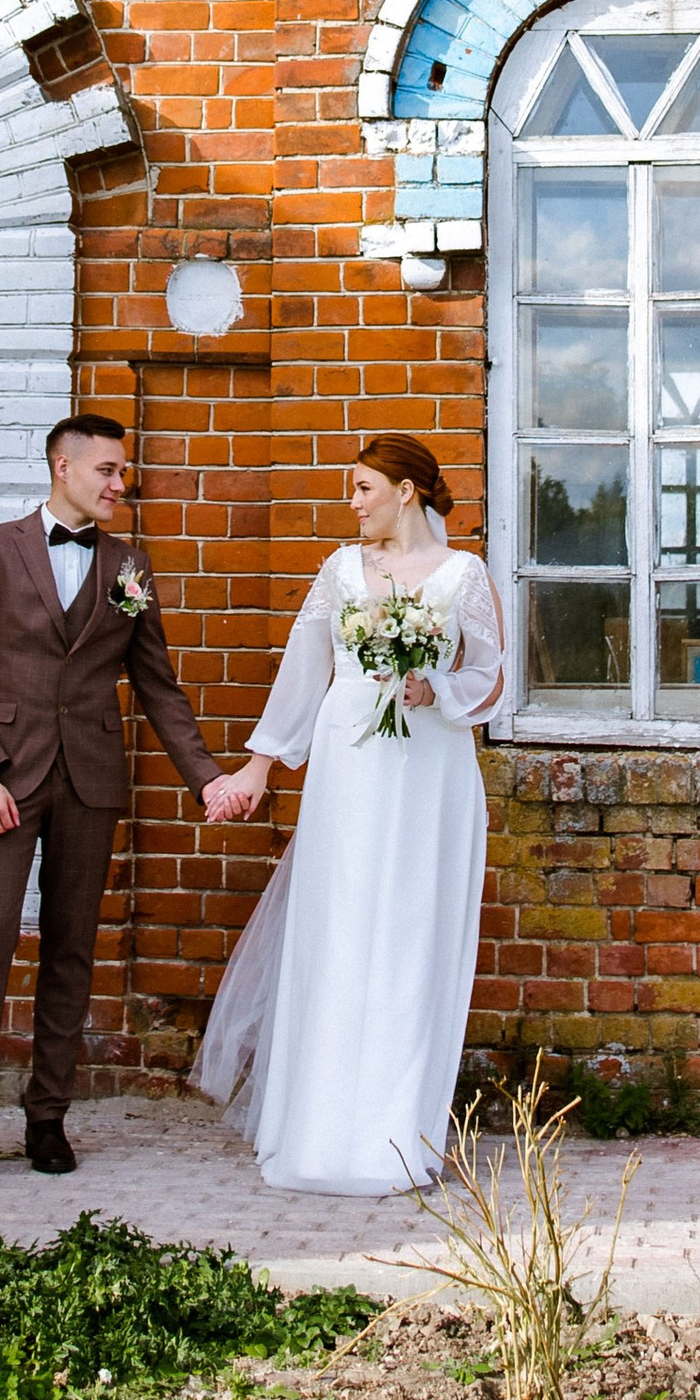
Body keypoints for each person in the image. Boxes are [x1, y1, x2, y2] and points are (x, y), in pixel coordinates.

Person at [0, 410, 258, 1194]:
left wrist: (208, 776)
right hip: (6, 780)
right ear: (63, 468)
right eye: (109, 470)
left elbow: (158, 685)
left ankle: (48, 1115)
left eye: (123, 472)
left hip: (90, 780)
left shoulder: (129, 565)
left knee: (73, 950)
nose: (121, 483)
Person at [197, 432, 502, 1195]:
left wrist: (441, 690)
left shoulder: (465, 575)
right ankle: (318, 1125)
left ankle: (396, 1132)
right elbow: (302, 673)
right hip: (349, 762)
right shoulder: (340, 572)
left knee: (410, 932)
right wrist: (260, 765)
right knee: (337, 925)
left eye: (364, 487)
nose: (353, 503)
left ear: (406, 491)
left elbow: (494, 677)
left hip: (430, 766)